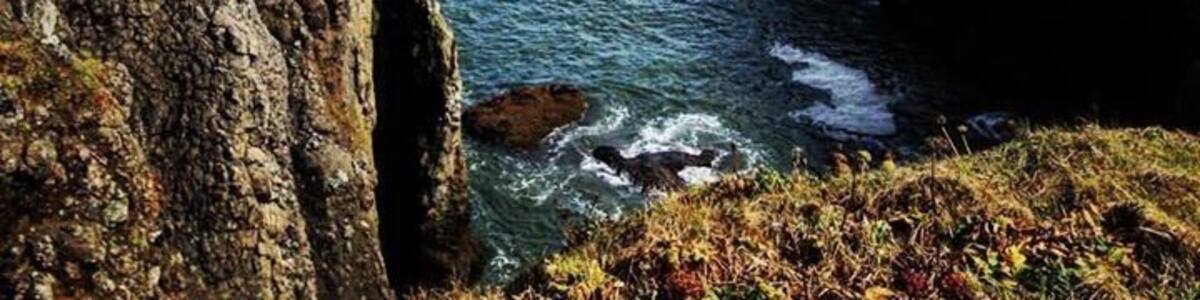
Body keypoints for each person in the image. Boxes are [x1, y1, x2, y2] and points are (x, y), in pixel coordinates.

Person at [592, 146, 720, 192]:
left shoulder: (626, 172)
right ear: (618, 152)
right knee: (703, 161)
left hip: (663, 178)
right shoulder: (644, 158)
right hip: (663, 159)